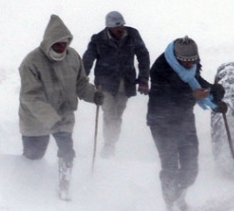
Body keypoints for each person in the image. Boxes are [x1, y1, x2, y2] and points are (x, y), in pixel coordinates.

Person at [18, 14, 104, 200]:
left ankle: (64, 186)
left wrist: (93, 94)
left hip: (64, 113)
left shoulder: (73, 57)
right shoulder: (31, 62)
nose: (61, 48)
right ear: (48, 42)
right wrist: (50, 118)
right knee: (33, 157)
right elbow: (30, 97)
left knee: (67, 151)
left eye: (64, 44)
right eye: (57, 44)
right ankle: (28, 194)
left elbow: (80, 84)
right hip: (35, 119)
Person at [147, 36, 227, 211]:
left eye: (193, 61)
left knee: (191, 168)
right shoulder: (160, 69)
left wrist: (213, 92)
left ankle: (179, 196)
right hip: (161, 122)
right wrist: (192, 96)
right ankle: (169, 203)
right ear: (176, 57)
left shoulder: (191, 66)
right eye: (185, 61)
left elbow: (195, 82)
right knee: (170, 168)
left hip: (184, 121)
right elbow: (165, 97)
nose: (190, 65)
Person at [82, 11, 151, 158]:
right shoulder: (98, 39)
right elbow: (88, 60)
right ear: (109, 27)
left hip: (125, 83)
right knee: (109, 113)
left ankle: (112, 142)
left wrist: (144, 78)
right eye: (116, 27)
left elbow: (143, 55)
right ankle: (108, 145)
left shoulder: (132, 35)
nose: (121, 29)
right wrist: (81, 79)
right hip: (104, 84)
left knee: (117, 115)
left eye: (122, 25)